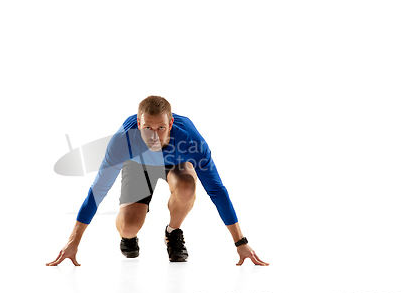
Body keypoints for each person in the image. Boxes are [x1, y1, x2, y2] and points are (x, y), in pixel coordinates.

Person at [46, 95, 269, 266]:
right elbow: (98, 190)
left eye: (161, 128)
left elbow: (217, 191)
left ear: (171, 124)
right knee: (129, 227)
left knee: (186, 187)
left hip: (177, 162)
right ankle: (128, 235)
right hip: (138, 163)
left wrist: (241, 242)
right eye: (147, 128)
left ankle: (173, 233)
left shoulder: (192, 142)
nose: (154, 136)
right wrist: (74, 241)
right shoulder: (122, 142)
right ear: (138, 123)